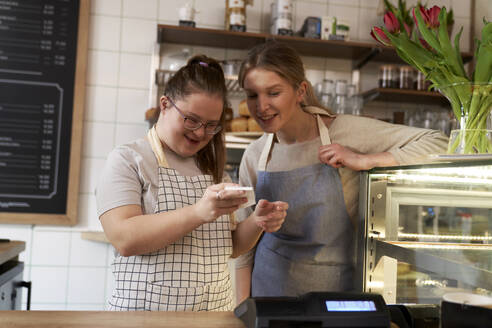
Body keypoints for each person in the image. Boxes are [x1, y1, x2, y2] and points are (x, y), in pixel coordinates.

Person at [234, 41, 449, 302]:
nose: (261, 106)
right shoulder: (254, 156)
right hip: (269, 296)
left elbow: (441, 143)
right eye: (253, 95)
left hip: (336, 297)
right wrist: (242, 311)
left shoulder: (344, 131)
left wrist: (365, 159)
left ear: (300, 90)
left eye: (274, 93)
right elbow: (244, 252)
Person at [96, 55, 288, 311]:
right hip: (143, 320)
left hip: (213, 318)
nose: (199, 133)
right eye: (191, 119)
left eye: (211, 126)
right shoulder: (129, 159)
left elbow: (229, 246)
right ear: (165, 105)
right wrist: (198, 212)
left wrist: (257, 222)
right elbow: (124, 238)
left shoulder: (214, 171)